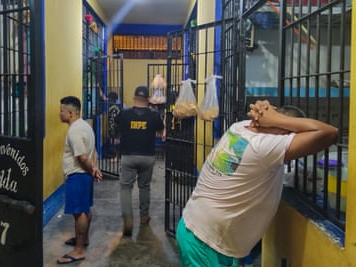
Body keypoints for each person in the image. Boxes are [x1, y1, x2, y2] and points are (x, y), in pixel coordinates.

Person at [176, 100, 338, 267]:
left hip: (202, 232)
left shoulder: (239, 128)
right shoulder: (263, 146)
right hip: (206, 242)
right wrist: (276, 120)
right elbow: (330, 133)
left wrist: (268, 115)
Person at [57, 96, 103, 264]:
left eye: (61, 111)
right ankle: (83, 240)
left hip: (78, 175)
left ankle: (79, 250)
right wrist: (95, 169)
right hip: (85, 175)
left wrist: (92, 170)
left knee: (79, 213)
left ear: (70, 113)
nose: (59, 114)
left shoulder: (75, 131)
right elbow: (94, 151)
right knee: (85, 209)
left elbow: (83, 158)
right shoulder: (85, 126)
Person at [115, 85, 165, 236]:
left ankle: (128, 218)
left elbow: (116, 129)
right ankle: (144, 216)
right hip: (147, 156)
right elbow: (161, 130)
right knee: (144, 186)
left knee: (125, 188)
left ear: (134, 98)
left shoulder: (124, 114)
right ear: (148, 99)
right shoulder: (154, 115)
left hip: (128, 156)